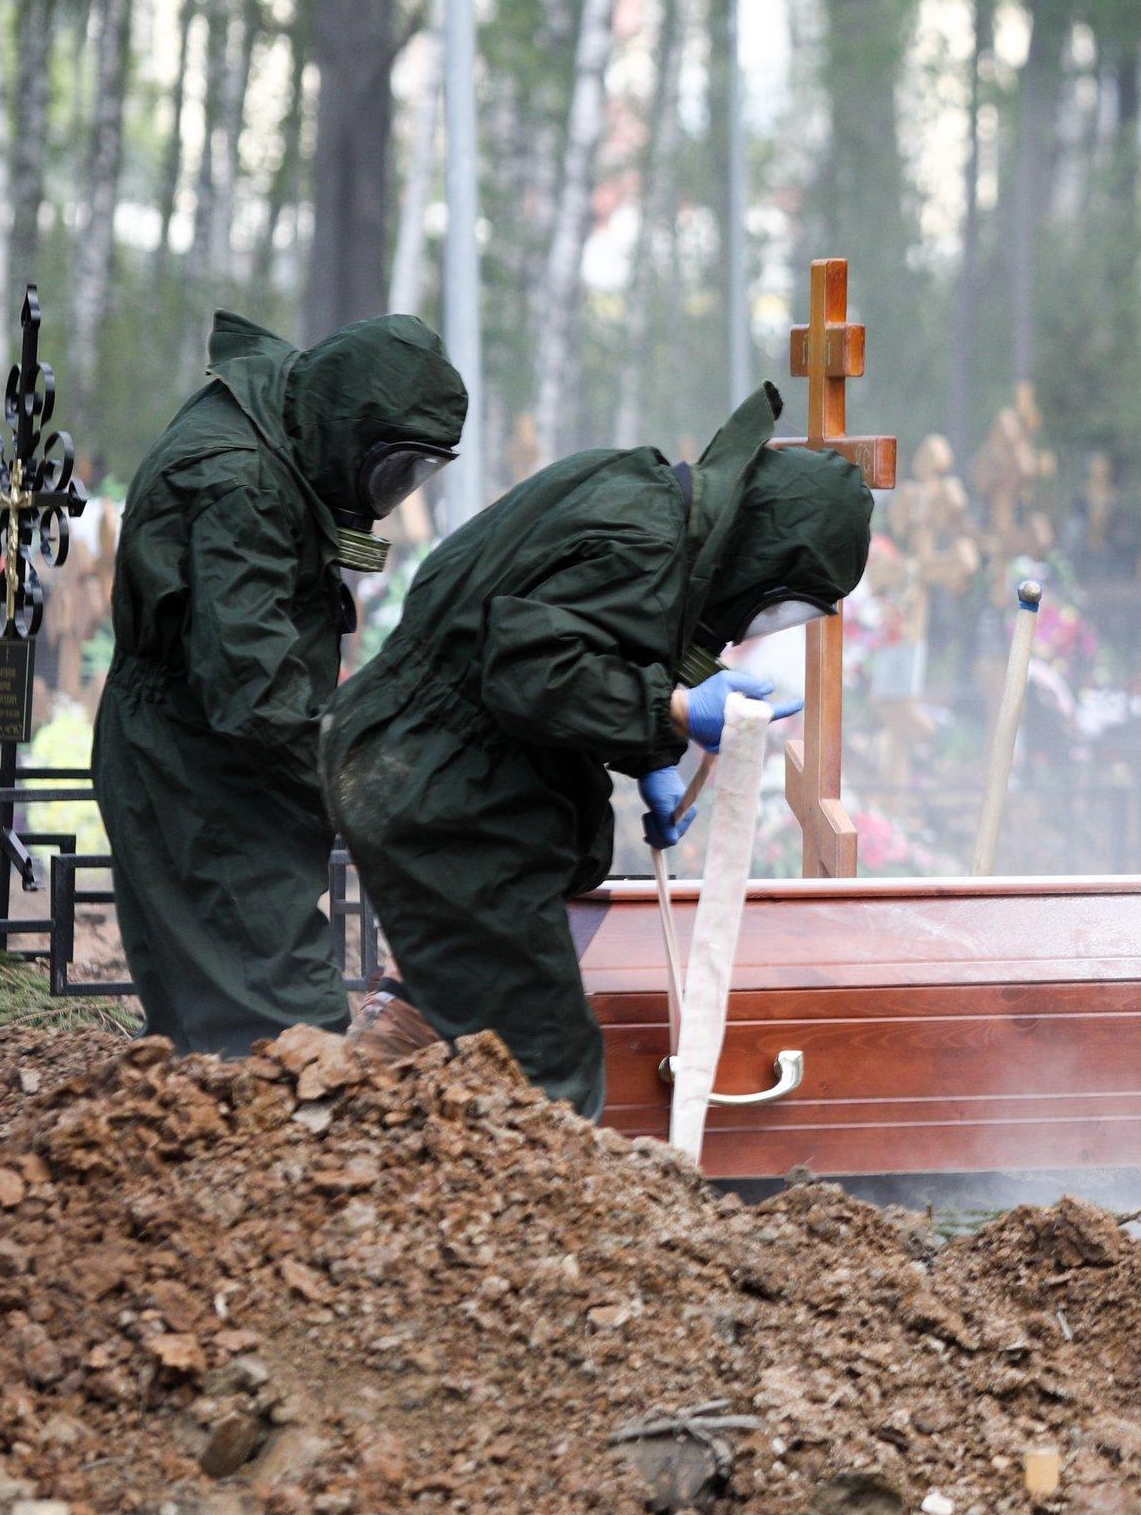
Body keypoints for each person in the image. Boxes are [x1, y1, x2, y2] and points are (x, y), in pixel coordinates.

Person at [320, 383, 871, 1117]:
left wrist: (651, 756)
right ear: (766, 549)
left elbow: (586, 633)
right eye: (785, 598)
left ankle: (383, 1051)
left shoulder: (642, 497)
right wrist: (671, 708)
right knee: (549, 1070)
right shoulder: (646, 539)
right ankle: (367, 1130)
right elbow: (528, 670)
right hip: (437, 782)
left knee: (559, 867)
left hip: (430, 763)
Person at [95, 310, 465, 1053]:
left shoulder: (285, 423)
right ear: (351, 425)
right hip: (194, 762)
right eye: (393, 467)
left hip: (209, 746)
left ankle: (208, 1160)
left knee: (217, 1031)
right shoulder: (240, 480)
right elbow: (255, 690)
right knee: (281, 1034)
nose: (392, 491)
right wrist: (366, 788)